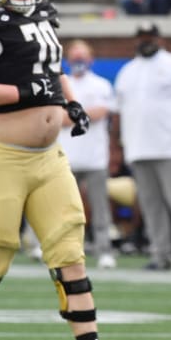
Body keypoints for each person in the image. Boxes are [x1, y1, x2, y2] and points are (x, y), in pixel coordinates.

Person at [0, 0, 98, 340]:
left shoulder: (43, 15)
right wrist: (25, 92)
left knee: (71, 253)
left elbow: (52, 72)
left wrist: (71, 104)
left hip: (48, 157)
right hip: (2, 157)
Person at [112, 21, 171, 270]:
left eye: (150, 37)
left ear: (160, 39)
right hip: (138, 147)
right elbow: (118, 114)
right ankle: (160, 254)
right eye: (142, 36)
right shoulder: (128, 71)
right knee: (149, 203)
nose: (146, 41)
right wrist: (117, 146)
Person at [58, 39, 118, 270]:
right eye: (74, 57)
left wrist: (73, 114)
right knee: (62, 208)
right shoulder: (62, 84)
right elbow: (58, 117)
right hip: (66, 158)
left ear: (90, 59)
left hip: (95, 158)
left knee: (100, 208)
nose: (78, 62)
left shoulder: (101, 84)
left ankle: (104, 250)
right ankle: (61, 250)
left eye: (82, 57)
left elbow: (102, 111)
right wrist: (83, 114)